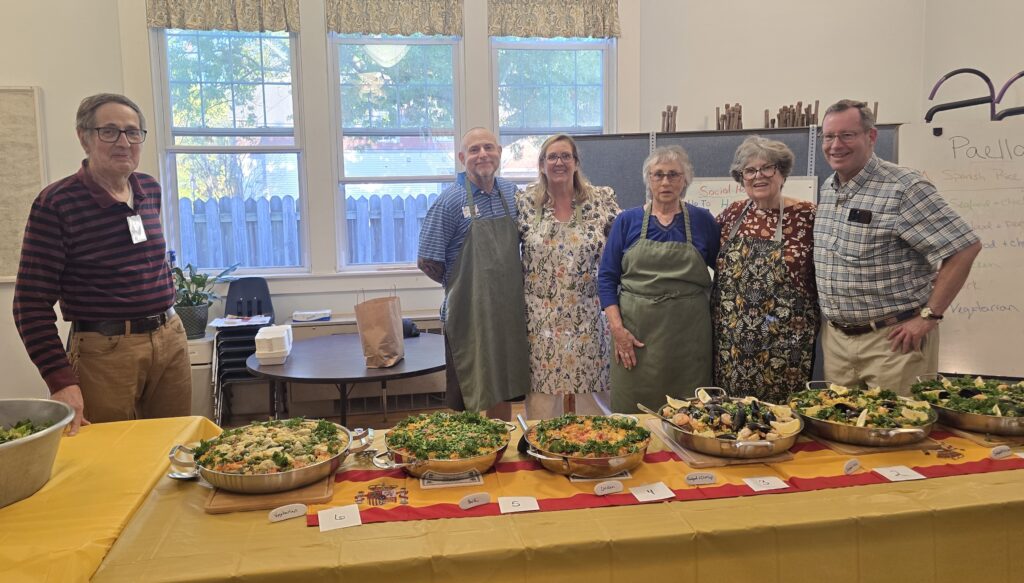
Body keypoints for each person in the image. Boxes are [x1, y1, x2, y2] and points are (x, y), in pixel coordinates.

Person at [13, 93, 192, 435]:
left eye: (132, 132)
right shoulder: (57, 203)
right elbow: (29, 304)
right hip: (104, 351)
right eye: (109, 131)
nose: (124, 142)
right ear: (84, 137)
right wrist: (60, 380)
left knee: (174, 445)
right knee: (108, 454)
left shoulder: (148, 190)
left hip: (169, 337)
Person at [814, 99, 981, 394]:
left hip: (893, 342)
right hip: (838, 342)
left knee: (900, 431)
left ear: (871, 136)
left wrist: (929, 316)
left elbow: (964, 247)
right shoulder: (829, 189)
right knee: (842, 428)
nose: (835, 145)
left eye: (847, 135)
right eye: (828, 136)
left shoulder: (904, 188)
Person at [598, 145, 721, 413]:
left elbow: (725, 272)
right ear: (648, 179)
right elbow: (607, 279)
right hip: (636, 338)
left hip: (689, 340)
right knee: (634, 414)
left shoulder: (702, 221)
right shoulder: (627, 221)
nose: (665, 181)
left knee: (689, 414)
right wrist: (618, 331)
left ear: (685, 180)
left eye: (673, 175)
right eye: (658, 175)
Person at [417, 127, 529, 418]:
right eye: (475, 150)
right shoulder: (449, 202)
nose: (483, 155)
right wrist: (459, 287)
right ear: (461, 157)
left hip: (506, 314)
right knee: (466, 391)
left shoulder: (511, 193)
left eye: (489, 148)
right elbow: (427, 260)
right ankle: (465, 457)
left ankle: (500, 452)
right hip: (467, 315)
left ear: (500, 153)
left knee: (500, 387)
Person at [516, 134, 621, 419]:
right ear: (541, 164)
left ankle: (598, 455)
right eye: (552, 157)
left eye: (566, 156)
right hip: (540, 319)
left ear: (576, 163)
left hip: (588, 313)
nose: (559, 162)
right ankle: (544, 454)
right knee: (543, 399)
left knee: (594, 396)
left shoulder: (601, 200)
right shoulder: (525, 203)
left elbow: (623, 248)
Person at [711, 136, 819, 403]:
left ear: (781, 173)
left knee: (784, 419)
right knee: (733, 419)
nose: (758, 176)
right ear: (741, 177)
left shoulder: (807, 215)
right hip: (733, 346)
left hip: (786, 344)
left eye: (767, 168)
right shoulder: (731, 215)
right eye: (750, 170)